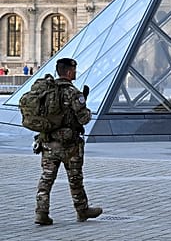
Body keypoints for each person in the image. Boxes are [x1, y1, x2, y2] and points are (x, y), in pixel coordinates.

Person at [34, 58, 102, 225]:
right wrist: (87, 111)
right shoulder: (73, 93)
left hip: (49, 142)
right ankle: (82, 210)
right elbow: (83, 118)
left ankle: (41, 212)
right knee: (75, 178)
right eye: (74, 70)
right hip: (70, 145)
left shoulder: (47, 91)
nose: (76, 73)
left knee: (46, 179)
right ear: (70, 72)